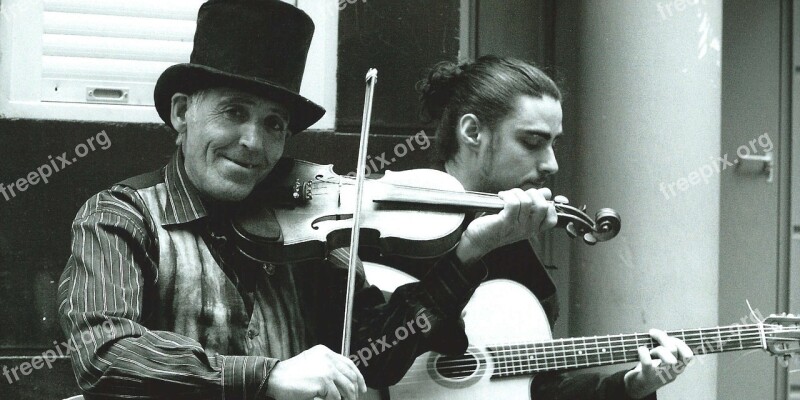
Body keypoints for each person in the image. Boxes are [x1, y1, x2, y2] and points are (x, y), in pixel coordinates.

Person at [56, 2, 556, 399]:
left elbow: (377, 360)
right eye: (234, 111)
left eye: (275, 123)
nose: (254, 142)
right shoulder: (120, 216)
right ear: (183, 112)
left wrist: (469, 252)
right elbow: (103, 353)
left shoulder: (312, 230)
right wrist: (267, 376)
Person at [410, 55, 695, 399]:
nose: (551, 164)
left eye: (553, 143)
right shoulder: (398, 234)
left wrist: (632, 385)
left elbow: (541, 390)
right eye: (532, 142)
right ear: (472, 132)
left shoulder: (516, 253)